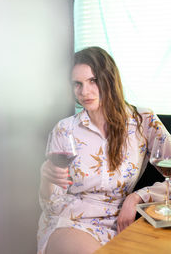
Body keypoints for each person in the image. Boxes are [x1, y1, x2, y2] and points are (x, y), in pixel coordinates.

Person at [37, 47, 170, 254]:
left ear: (109, 80)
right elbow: (52, 205)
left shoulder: (143, 122)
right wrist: (46, 179)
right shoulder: (64, 130)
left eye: (93, 81)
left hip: (122, 223)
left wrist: (137, 198)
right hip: (72, 222)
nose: (84, 92)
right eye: (77, 84)